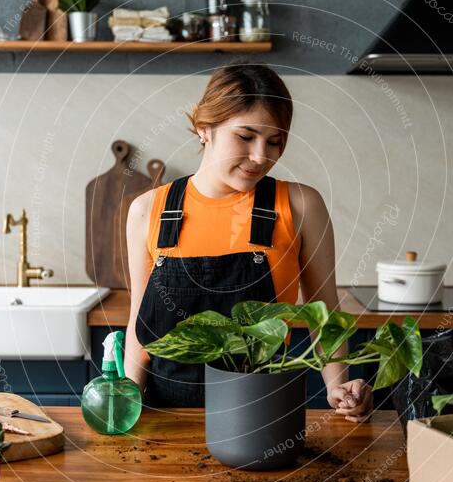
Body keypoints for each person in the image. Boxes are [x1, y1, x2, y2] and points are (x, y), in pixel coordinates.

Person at [124, 62, 373, 423]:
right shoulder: (150, 210)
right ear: (204, 128)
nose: (261, 157)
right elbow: (139, 322)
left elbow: (325, 313)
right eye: (246, 136)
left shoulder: (301, 206)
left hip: (264, 418)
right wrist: (128, 400)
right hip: (167, 417)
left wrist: (338, 386)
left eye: (274, 142)